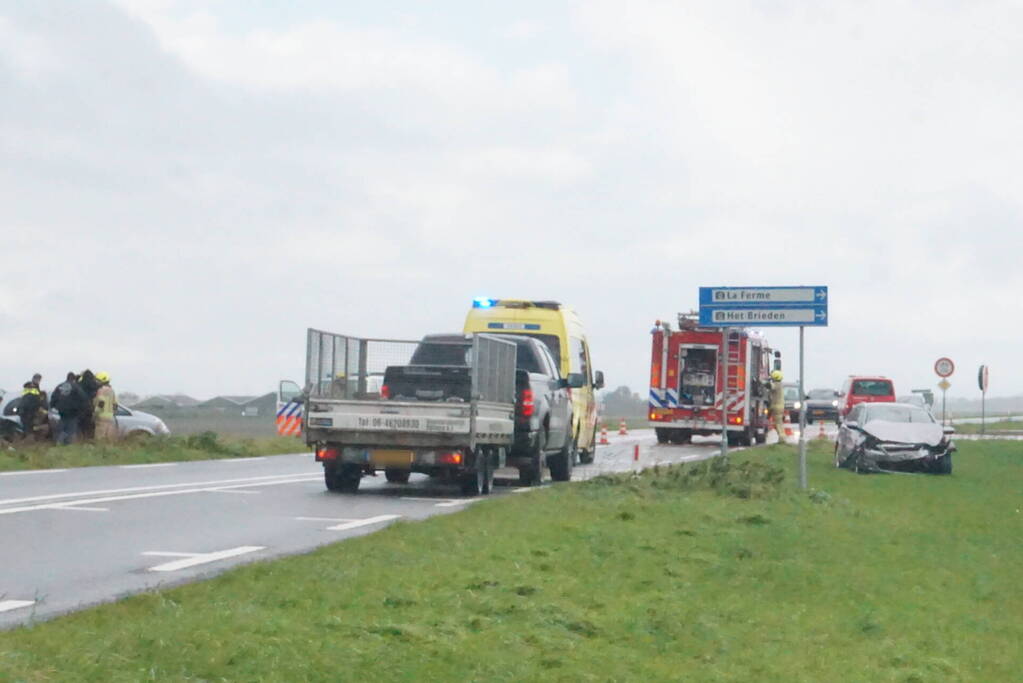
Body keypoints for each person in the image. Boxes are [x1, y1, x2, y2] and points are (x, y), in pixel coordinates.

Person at [51, 372, 89, 445]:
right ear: (74, 379)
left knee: (63, 426)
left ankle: (60, 441)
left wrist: (54, 407)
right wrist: (81, 409)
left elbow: (53, 398)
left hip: (61, 411)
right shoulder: (75, 386)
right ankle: (65, 443)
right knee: (71, 429)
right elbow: (83, 398)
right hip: (72, 411)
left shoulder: (59, 386)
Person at [93, 372, 118, 442]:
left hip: (101, 415)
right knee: (108, 436)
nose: (96, 382)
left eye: (97, 380)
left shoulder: (101, 390)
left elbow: (101, 402)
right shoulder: (112, 390)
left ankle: (100, 449)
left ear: (101, 381)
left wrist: (96, 413)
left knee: (99, 436)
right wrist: (113, 413)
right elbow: (115, 404)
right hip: (110, 416)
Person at [78, 369, 101, 440]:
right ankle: (89, 439)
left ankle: (81, 439)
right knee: (90, 426)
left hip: (80, 409)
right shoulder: (94, 384)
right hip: (90, 408)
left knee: (81, 426)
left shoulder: (79, 384)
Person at [769, 370, 787, 443]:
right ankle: (782, 438)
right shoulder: (780, 384)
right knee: (778, 423)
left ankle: (782, 438)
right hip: (779, 406)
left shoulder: (777, 384)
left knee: (778, 423)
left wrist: (762, 382)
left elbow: (770, 386)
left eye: (772, 377)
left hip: (777, 407)